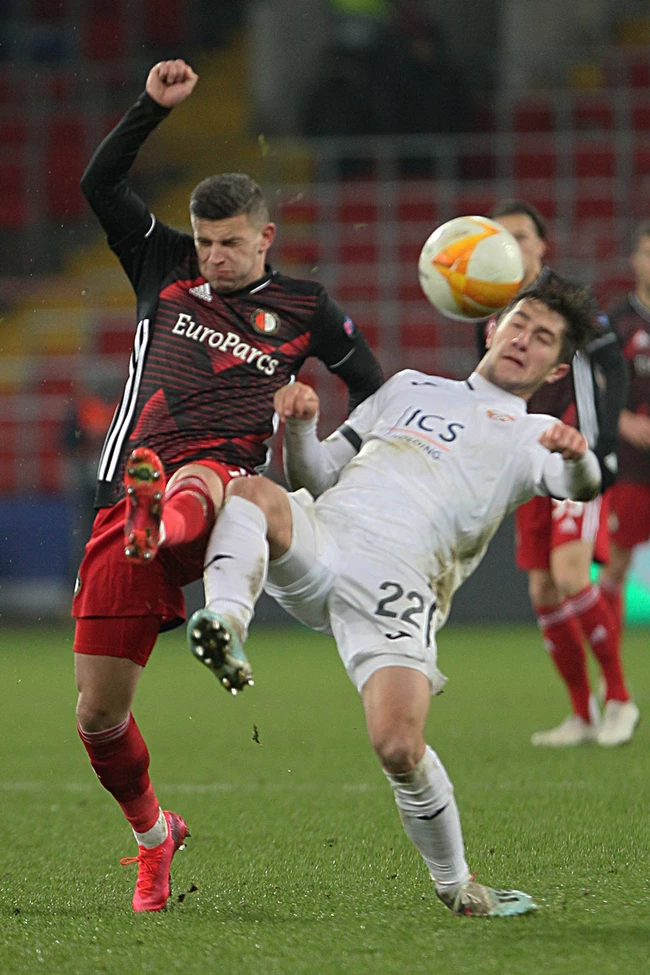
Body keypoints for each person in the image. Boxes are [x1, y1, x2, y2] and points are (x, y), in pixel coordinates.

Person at [185, 277, 602, 917]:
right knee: (250, 492)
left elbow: (582, 484)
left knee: (399, 747)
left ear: (556, 369)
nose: (524, 339)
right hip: (327, 536)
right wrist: (300, 428)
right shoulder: (407, 387)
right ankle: (227, 624)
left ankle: (458, 887)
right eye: (519, 323)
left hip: (400, 586)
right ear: (492, 327)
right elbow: (316, 476)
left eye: (543, 338)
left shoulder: (535, 433)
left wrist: (575, 456)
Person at [72, 59, 383, 913]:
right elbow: (99, 184)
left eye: (231, 243)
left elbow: (376, 388)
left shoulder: (308, 308)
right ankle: (154, 836)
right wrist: (149, 106)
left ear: (266, 236)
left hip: (227, 499)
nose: (213, 256)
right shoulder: (160, 262)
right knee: (97, 716)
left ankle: (168, 524)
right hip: (121, 503)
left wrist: (323, 436)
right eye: (205, 241)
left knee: (206, 478)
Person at [476, 199, 637, 748]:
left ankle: (620, 699)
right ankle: (582, 714)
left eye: (521, 236)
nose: (512, 246)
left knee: (570, 574)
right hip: (525, 462)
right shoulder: (489, 304)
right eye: (501, 238)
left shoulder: (569, 301)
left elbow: (611, 364)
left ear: (542, 245)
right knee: (543, 589)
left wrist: (603, 445)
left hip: (572, 455)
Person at [600, 221, 650, 635]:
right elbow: (594, 384)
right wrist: (622, 419)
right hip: (633, 462)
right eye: (649, 254)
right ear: (635, 260)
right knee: (617, 562)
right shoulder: (617, 323)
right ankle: (608, 661)